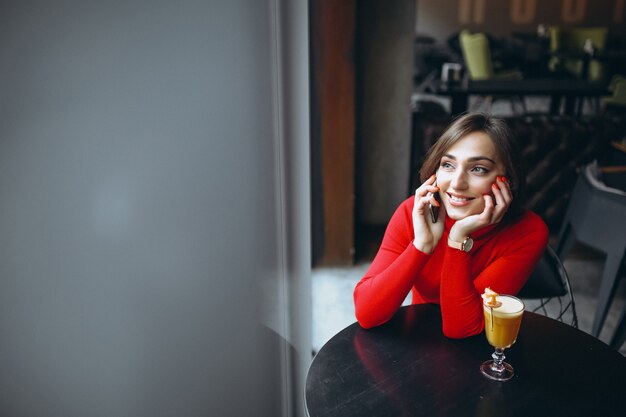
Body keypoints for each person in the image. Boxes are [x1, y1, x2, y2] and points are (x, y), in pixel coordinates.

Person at [353, 113, 548, 338]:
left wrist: (458, 238)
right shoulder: (414, 212)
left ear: (507, 180)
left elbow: (462, 328)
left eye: (478, 169)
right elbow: (367, 314)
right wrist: (421, 245)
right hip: (419, 337)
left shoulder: (529, 232)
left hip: (482, 351)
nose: (457, 183)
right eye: (448, 165)